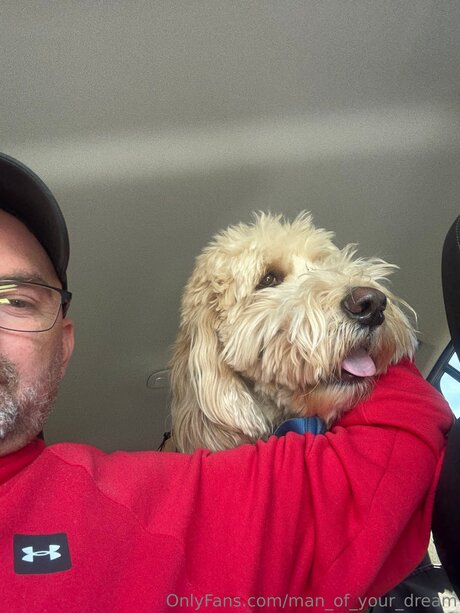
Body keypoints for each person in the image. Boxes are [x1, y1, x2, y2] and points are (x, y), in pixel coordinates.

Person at [0, 152, 453, 613]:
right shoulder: (167, 501)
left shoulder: (183, 505)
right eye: (270, 279)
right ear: (215, 341)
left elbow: (402, 441)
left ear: (63, 344)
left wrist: (367, 348)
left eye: (15, 300)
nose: (349, 293)